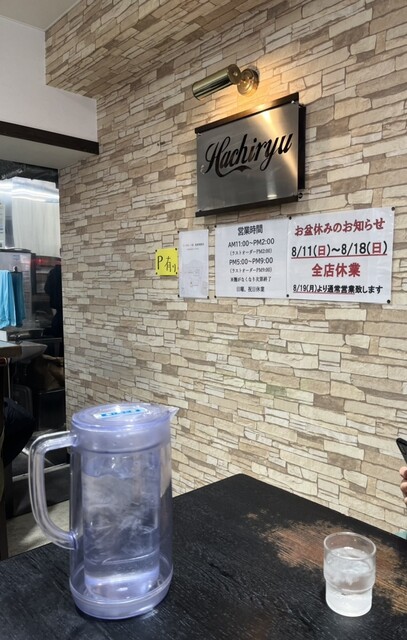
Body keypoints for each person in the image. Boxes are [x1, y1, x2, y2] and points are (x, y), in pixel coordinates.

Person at [44, 260, 63, 339]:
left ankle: (56, 335)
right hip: (64, 302)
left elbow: (47, 289)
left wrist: (53, 295)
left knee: (58, 317)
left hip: (56, 302)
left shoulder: (52, 272)